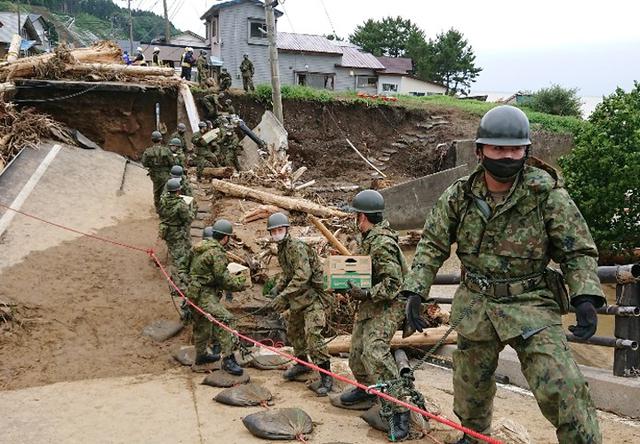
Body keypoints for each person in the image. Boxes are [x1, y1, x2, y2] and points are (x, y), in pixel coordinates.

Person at [401, 105, 604, 444]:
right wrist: (415, 290)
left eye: (515, 149)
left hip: (531, 304)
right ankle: (473, 435)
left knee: (562, 384)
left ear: (527, 151)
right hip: (476, 304)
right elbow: (433, 244)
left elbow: (577, 249)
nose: (507, 156)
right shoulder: (460, 196)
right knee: (470, 386)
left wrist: (585, 294)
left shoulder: (547, 195)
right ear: (480, 151)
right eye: (498, 149)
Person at [340, 189, 410, 441]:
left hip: (388, 305)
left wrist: (366, 293)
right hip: (372, 303)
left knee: (374, 352)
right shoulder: (369, 238)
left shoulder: (381, 243)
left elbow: (394, 284)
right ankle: (366, 390)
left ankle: (401, 410)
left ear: (361, 216)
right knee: (356, 353)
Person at [266, 213, 333, 396]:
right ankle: (302, 364)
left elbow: (303, 276)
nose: (277, 233)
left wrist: (283, 297)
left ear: (287, 230)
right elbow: (289, 273)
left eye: (280, 230)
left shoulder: (296, 247)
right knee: (294, 331)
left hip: (314, 297)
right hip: (299, 298)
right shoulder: (282, 249)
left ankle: (327, 376)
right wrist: (277, 288)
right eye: (274, 231)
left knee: (313, 334)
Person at [188, 219, 246, 374]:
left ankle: (201, 355)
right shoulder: (217, 252)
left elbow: (187, 268)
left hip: (194, 292)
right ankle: (228, 360)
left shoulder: (199, 247)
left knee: (202, 324)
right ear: (225, 238)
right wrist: (241, 282)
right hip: (205, 294)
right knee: (227, 320)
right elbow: (224, 279)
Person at [158, 178, 195, 288]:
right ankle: (178, 284)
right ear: (178, 191)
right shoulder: (180, 205)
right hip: (177, 233)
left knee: (173, 251)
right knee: (179, 259)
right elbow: (189, 218)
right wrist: (192, 209)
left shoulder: (163, 199)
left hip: (166, 230)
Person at [141, 130, 174, 213]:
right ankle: (165, 208)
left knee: (156, 191)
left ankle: (158, 208)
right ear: (161, 139)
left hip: (154, 175)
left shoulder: (148, 151)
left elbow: (144, 163)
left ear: (152, 140)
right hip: (165, 173)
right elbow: (172, 162)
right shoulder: (166, 150)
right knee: (165, 190)